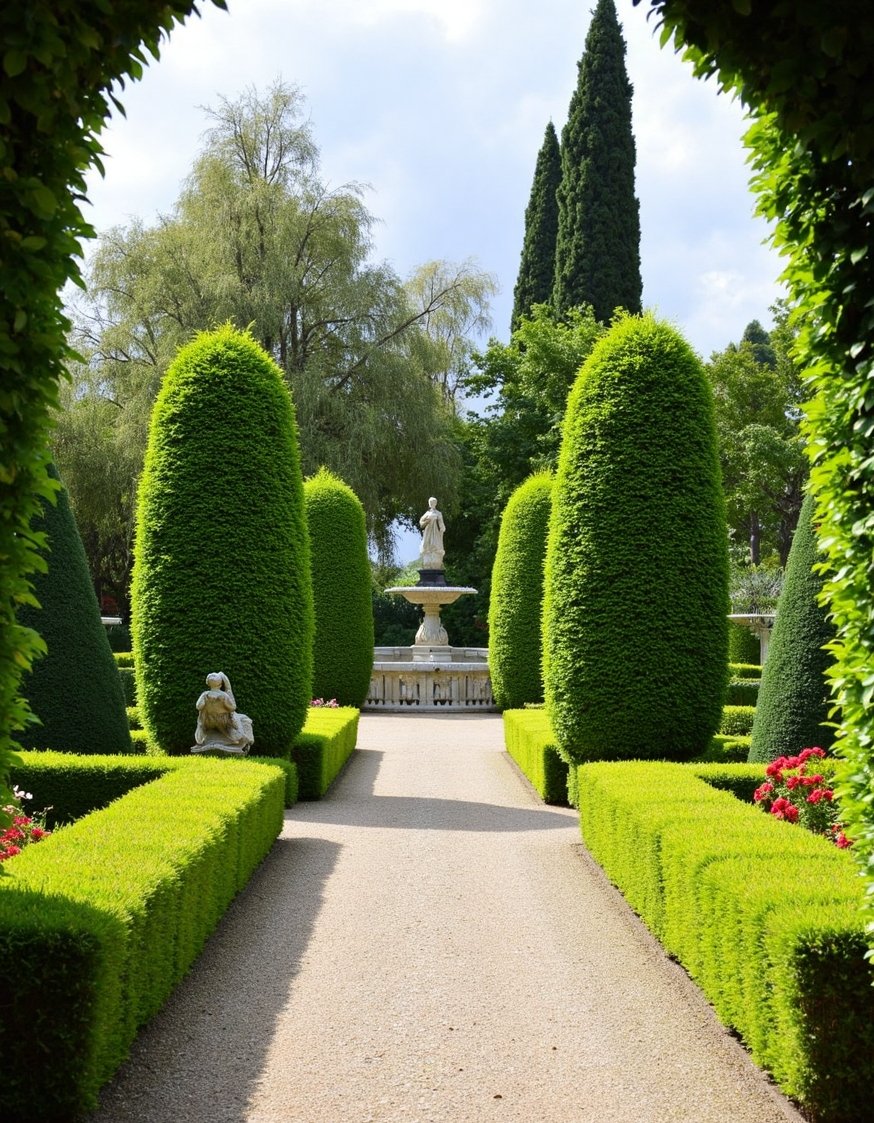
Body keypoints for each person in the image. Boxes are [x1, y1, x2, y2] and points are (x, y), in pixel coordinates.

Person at [192, 671, 254, 753]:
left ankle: (220, 741)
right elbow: (232, 708)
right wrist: (227, 690)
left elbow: (198, 706)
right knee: (244, 719)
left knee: (241, 718)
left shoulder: (205, 695)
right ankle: (241, 740)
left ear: (207, 683)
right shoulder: (224, 696)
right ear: (220, 685)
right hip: (224, 722)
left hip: (208, 721)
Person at [419, 497, 446, 569]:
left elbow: (441, 523)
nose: (431, 504)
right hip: (428, 531)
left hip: (436, 531)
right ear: (429, 504)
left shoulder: (438, 513)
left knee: (436, 544)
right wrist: (427, 521)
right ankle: (427, 561)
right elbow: (421, 523)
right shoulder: (427, 513)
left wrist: (442, 528)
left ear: (436, 504)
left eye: (433, 503)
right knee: (426, 544)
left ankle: (436, 561)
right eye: (430, 503)